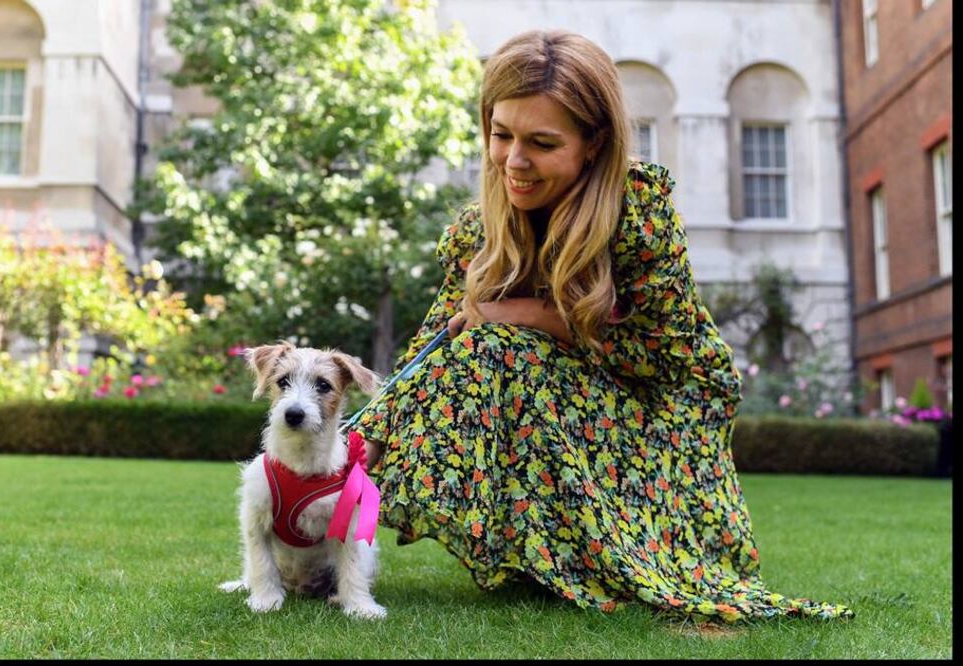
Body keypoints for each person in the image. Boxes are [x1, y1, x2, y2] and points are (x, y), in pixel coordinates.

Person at [354, 29, 852, 623]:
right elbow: (432, 353)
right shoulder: (482, 230)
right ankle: (550, 556)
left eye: (541, 142)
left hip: (665, 411)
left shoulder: (638, 213)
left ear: (593, 143)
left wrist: (529, 313)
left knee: (500, 347)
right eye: (501, 134)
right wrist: (347, 461)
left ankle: (615, 552)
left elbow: (661, 358)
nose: (514, 160)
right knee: (480, 355)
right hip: (564, 388)